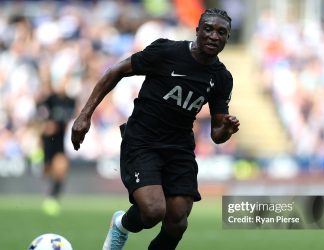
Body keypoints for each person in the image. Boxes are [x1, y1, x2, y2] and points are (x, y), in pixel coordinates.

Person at [71, 8, 240, 250]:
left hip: (179, 148)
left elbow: (216, 134)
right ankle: (121, 225)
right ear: (197, 30)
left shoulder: (222, 78)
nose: (214, 36)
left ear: (227, 38)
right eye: (209, 29)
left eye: (221, 32)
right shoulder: (167, 51)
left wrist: (226, 129)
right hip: (143, 141)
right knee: (153, 211)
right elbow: (117, 70)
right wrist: (85, 115)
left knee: (177, 222)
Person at [37, 81, 76, 216]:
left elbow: (70, 118)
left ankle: (53, 198)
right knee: (47, 169)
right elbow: (40, 115)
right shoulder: (51, 99)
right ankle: (48, 194)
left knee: (61, 168)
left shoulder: (71, 101)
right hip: (48, 141)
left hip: (59, 140)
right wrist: (45, 125)